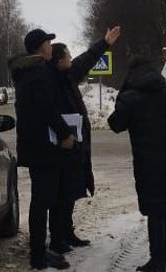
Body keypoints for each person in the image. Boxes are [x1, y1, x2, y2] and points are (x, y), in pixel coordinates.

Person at [108, 54, 166, 272]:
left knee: (156, 208)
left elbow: (116, 124)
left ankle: (157, 260)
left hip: (148, 159)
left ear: (131, 74)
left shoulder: (130, 97)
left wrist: (123, 93)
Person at [47, 26, 122, 253]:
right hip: (61, 143)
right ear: (59, 61)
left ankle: (67, 233)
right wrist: (64, 134)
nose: (71, 58)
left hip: (74, 142)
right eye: (68, 55)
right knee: (60, 194)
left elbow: (86, 59)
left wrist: (105, 42)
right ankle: (57, 238)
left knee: (69, 191)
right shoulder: (50, 82)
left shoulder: (68, 75)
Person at [9, 28, 76, 271]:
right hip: (42, 146)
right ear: (40, 47)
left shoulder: (31, 71)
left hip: (35, 145)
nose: (51, 46)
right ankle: (38, 256)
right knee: (42, 201)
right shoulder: (37, 74)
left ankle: (40, 250)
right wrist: (65, 133)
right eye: (48, 42)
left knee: (43, 199)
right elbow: (47, 109)